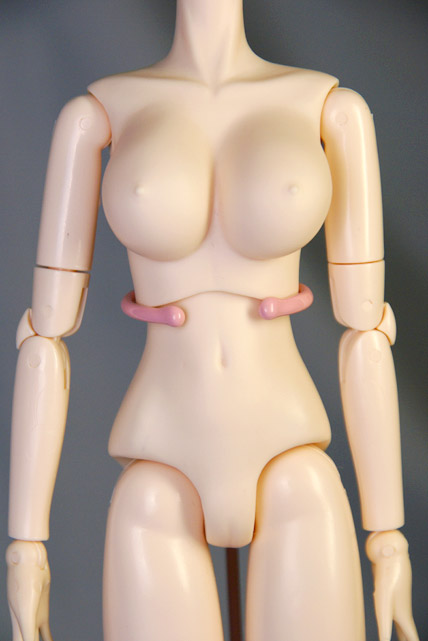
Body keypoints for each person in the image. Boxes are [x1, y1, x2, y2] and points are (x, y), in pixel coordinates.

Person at [6, 1, 419, 639]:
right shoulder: (97, 116)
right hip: (159, 465)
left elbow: (367, 330)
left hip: (292, 456)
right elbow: (44, 335)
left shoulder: (332, 110)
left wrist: (386, 533)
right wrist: (26, 544)